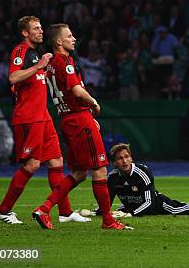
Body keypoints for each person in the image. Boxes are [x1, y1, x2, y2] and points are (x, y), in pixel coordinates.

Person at [31, 23, 131, 230]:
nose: (74, 38)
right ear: (59, 41)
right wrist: (93, 103)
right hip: (78, 119)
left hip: (67, 119)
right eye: (69, 35)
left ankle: (45, 208)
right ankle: (108, 221)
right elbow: (76, 90)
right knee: (100, 169)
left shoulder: (50, 65)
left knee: (79, 173)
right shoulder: (64, 61)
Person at [0, 16, 88, 225]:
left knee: (57, 162)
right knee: (32, 164)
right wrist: (40, 67)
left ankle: (65, 212)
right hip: (28, 116)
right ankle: (3, 210)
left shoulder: (36, 55)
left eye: (41, 28)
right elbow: (13, 78)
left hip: (43, 115)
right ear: (25, 33)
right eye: (36, 29)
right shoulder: (21, 51)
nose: (41, 31)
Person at [101, 144, 189, 216]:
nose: (124, 161)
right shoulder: (113, 177)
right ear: (114, 162)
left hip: (159, 205)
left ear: (131, 158)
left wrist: (130, 214)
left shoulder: (142, 172)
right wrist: (96, 212)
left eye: (127, 157)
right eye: (120, 158)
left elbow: (149, 203)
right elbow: (107, 200)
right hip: (134, 207)